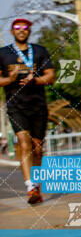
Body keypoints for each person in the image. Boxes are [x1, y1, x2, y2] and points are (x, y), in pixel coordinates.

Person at [0, 18, 55, 204]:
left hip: (38, 105)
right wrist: (10, 79)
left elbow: (51, 76)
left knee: (38, 148)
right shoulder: (3, 53)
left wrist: (36, 80)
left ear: (29, 31)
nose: (21, 30)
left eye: (25, 28)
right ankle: (30, 186)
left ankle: (37, 185)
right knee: (24, 143)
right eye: (17, 28)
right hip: (16, 106)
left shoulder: (40, 51)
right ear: (12, 31)